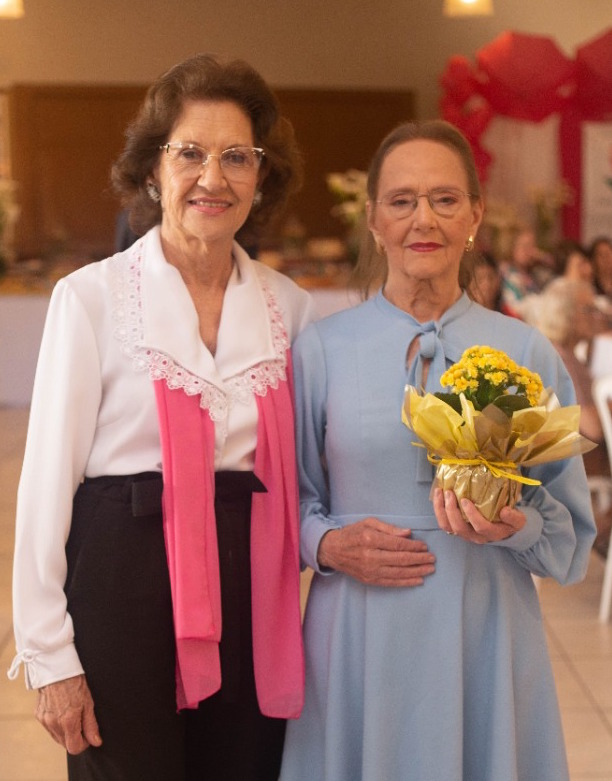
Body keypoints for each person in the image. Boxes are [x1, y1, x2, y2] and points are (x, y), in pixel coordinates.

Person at [9, 53, 314, 781]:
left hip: (250, 589)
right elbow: (46, 484)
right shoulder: (91, 298)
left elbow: (311, 470)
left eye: (237, 157)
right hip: (123, 578)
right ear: (152, 170)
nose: (214, 177)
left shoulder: (290, 308)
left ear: (261, 177)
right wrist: (50, 655)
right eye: (190, 153)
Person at [280, 120, 596, 781]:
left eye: (445, 199)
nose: (423, 218)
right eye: (402, 200)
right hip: (359, 631)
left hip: (485, 624)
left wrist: (517, 524)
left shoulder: (527, 350)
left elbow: (567, 531)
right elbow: (291, 504)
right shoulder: (320, 350)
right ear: (373, 220)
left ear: (475, 215)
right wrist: (330, 544)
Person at [499, 226, 554, 319]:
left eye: (532, 246)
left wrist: (543, 258)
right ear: (512, 247)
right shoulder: (507, 273)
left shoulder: (533, 273)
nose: (530, 251)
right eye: (525, 246)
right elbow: (514, 309)